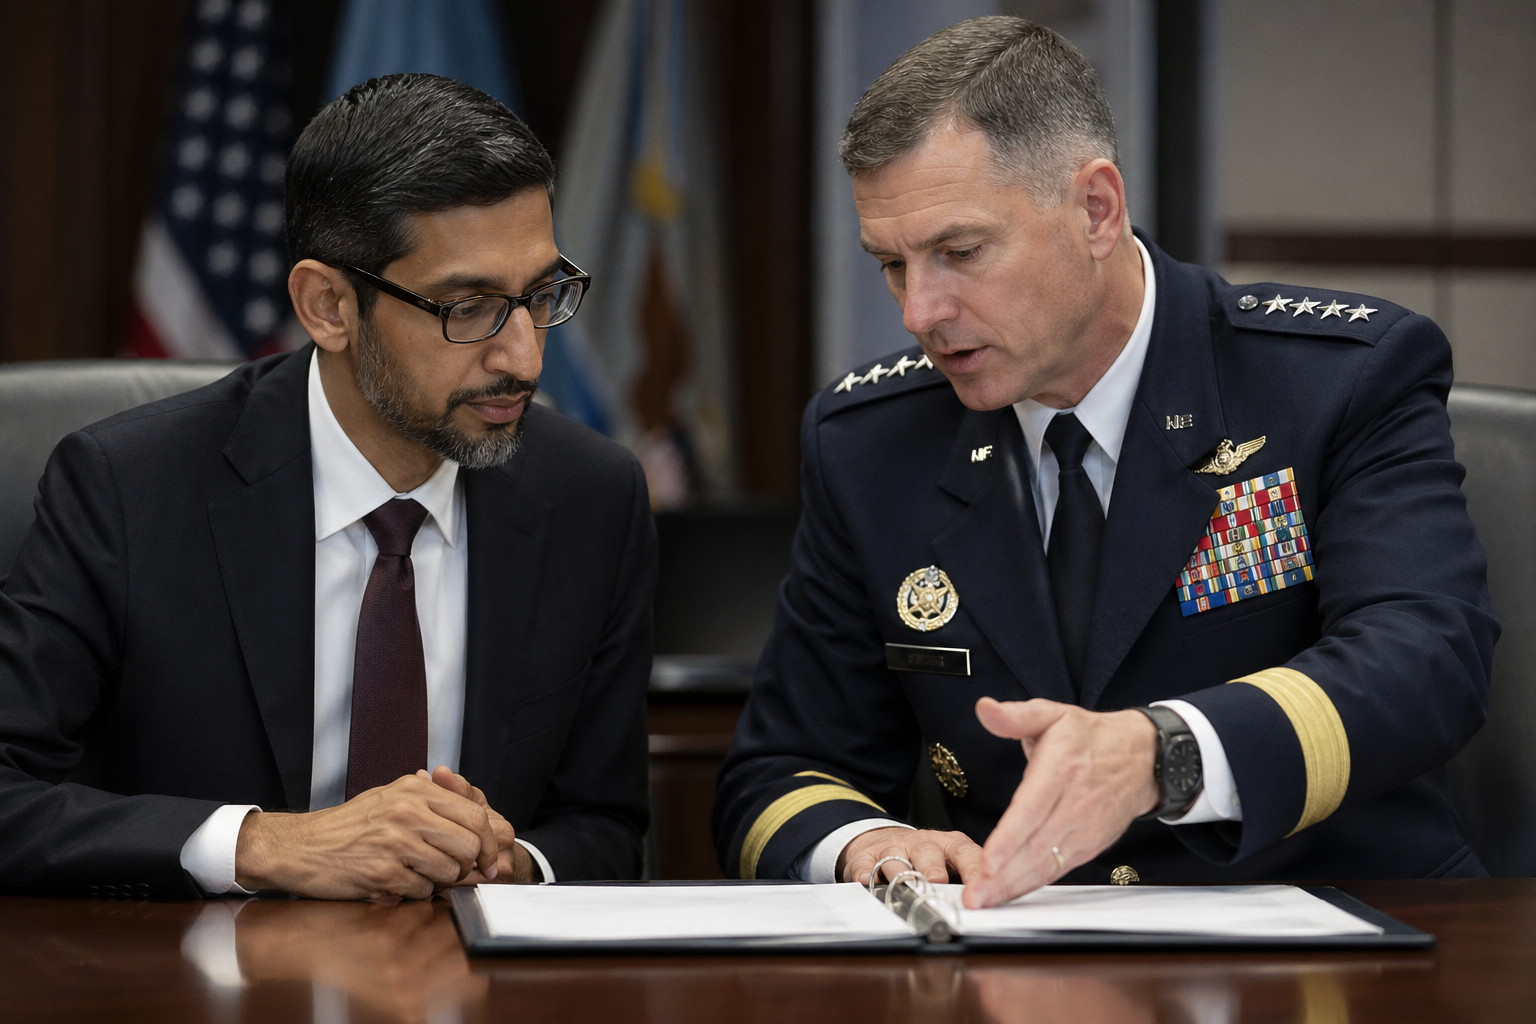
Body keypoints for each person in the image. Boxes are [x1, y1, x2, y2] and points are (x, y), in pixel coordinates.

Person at [713, 17, 1497, 906]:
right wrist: (869, 843)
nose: (919, 312)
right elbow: (781, 769)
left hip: (1338, 927)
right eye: (892, 265)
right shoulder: (870, 442)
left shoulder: (1330, 382)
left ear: (1095, 209)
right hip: (1020, 949)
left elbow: (1427, 661)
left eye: (960, 253)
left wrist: (1165, 752)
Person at [0, 75, 655, 899]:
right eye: (467, 307)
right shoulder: (129, 491)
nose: (523, 356)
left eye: (540, 295)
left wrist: (511, 860)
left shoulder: (592, 498)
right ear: (329, 307)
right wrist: (265, 844)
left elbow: (604, 824)